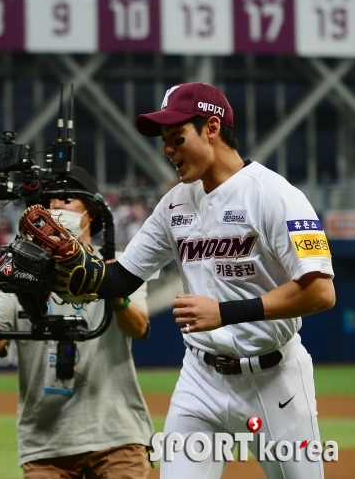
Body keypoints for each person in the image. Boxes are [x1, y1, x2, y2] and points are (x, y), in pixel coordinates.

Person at [24, 83, 334, 479]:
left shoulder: (273, 194)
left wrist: (225, 312)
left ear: (212, 128)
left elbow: (321, 292)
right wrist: (61, 270)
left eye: (176, 137)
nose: (168, 150)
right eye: (165, 141)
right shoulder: (174, 204)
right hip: (201, 379)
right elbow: (120, 278)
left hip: (275, 379)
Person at [0, 167, 155, 479]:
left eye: (68, 200)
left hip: (116, 436)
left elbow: (139, 328)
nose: (56, 208)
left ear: (91, 213)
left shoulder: (122, 265)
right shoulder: (18, 272)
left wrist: (112, 285)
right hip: (45, 444)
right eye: (51, 202)